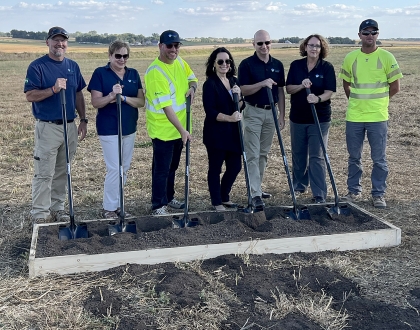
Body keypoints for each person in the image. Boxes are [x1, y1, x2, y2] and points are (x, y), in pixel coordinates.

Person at [24, 26, 87, 224]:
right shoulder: (37, 66)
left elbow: (78, 93)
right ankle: (40, 214)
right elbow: (30, 95)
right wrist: (53, 89)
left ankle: (57, 208)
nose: (60, 44)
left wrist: (83, 119)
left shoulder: (72, 66)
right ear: (48, 42)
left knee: (62, 170)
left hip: (69, 126)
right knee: (44, 173)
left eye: (63, 40)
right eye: (55, 40)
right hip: (48, 127)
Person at [339, 19, 402, 208]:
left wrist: (380, 102)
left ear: (378, 34)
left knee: (379, 159)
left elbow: (395, 87)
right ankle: (353, 191)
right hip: (355, 117)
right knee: (354, 157)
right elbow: (346, 84)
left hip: (378, 117)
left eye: (373, 32)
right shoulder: (351, 58)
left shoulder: (387, 57)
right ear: (359, 35)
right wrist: (357, 101)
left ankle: (378, 194)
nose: (370, 36)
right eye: (366, 32)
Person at [88, 41, 145, 218]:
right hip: (109, 128)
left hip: (129, 127)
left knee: (124, 167)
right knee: (114, 168)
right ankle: (109, 208)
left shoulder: (133, 74)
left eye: (125, 56)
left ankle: (119, 204)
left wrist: (124, 97)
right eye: (118, 56)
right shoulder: (100, 73)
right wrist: (112, 96)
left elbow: (141, 102)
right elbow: (96, 102)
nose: (121, 59)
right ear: (110, 55)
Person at [144, 30, 198, 215]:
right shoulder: (155, 72)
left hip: (179, 129)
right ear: (160, 46)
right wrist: (183, 130)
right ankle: (158, 205)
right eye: (169, 46)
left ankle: (169, 197)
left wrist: (192, 88)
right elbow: (167, 108)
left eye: (176, 46)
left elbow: (192, 78)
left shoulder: (181, 63)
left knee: (173, 167)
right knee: (161, 170)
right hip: (163, 130)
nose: (173, 49)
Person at [238, 29, 286, 209]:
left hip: (271, 112)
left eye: (267, 43)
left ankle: (256, 187)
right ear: (254, 44)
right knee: (252, 153)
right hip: (253, 112)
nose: (264, 46)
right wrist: (262, 83)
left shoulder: (278, 64)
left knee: (263, 154)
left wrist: (281, 115)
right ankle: (255, 193)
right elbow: (243, 90)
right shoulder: (247, 64)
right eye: (260, 43)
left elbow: (280, 90)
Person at [286, 34, 336, 203]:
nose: (314, 48)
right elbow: (289, 89)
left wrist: (318, 98)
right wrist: (302, 85)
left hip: (319, 119)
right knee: (299, 154)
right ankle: (299, 185)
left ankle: (319, 193)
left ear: (322, 49)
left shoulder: (326, 67)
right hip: (298, 118)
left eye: (318, 46)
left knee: (317, 155)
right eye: (311, 45)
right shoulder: (296, 65)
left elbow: (329, 91)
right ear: (305, 47)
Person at [202, 47, 243, 211]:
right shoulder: (210, 84)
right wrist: (230, 118)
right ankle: (217, 202)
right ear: (214, 64)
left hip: (233, 133)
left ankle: (224, 196)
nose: (224, 64)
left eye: (227, 61)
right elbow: (210, 111)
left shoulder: (234, 81)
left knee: (235, 167)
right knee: (215, 168)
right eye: (220, 61)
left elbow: (240, 105)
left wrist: (239, 96)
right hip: (216, 134)